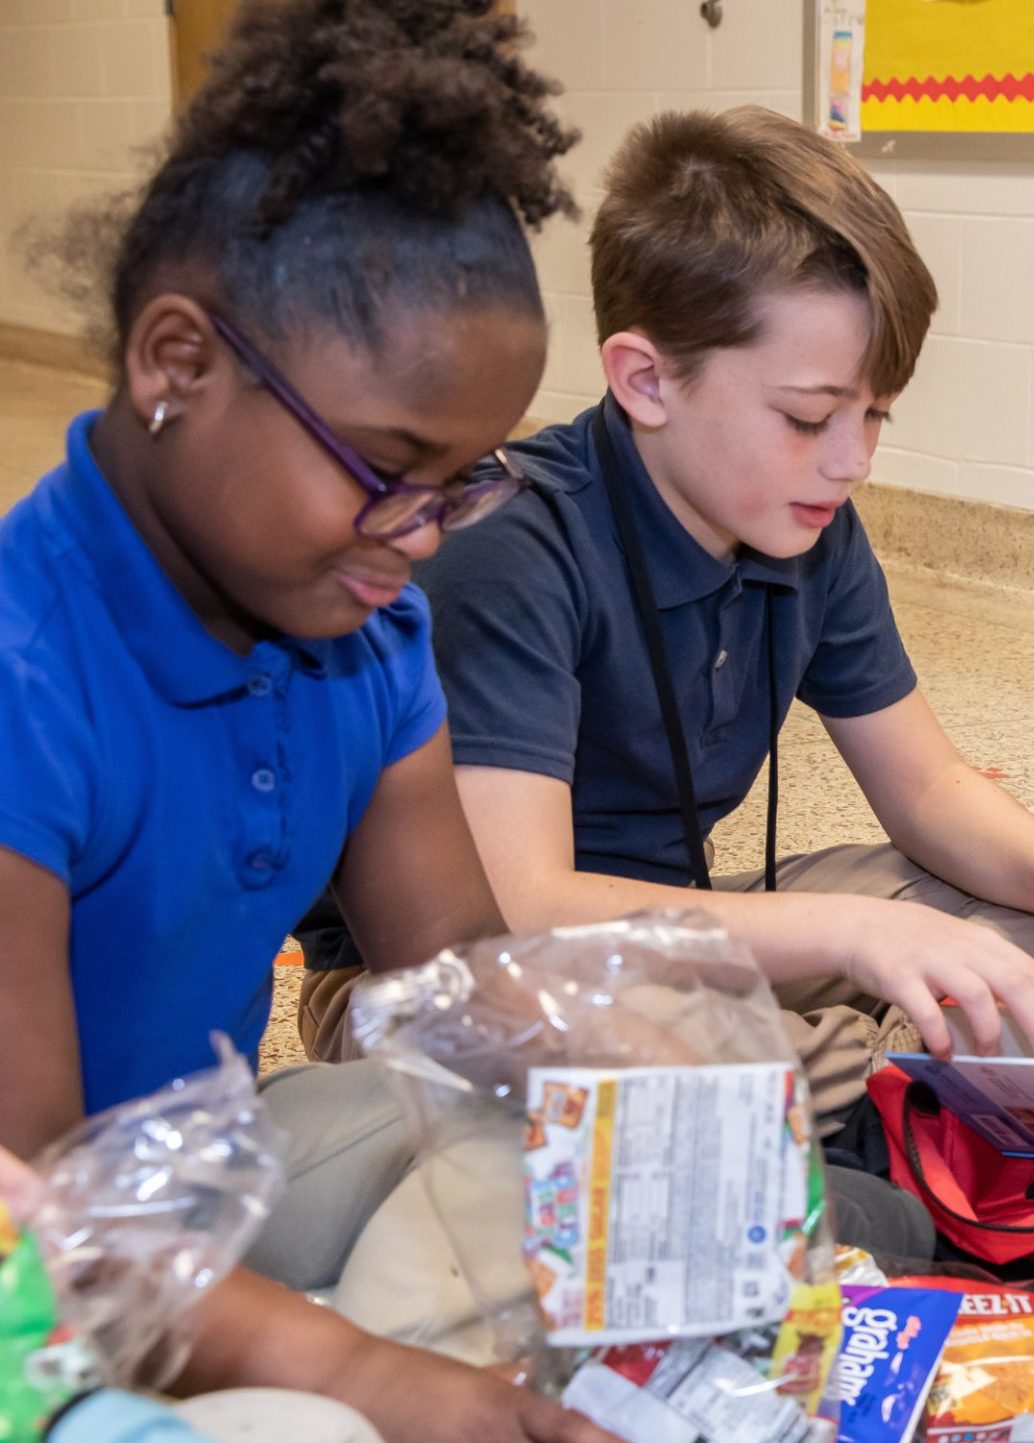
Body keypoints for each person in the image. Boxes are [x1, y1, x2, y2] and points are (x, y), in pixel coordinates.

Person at [294, 107, 1034, 1121]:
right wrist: (852, 935)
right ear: (646, 379)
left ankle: (907, 1068)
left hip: (673, 932)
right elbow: (519, 914)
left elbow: (926, 786)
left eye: (875, 413)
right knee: (718, 1056)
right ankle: (904, 1080)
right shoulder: (514, 548)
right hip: (447, 986)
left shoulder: (807, 523)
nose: (853, 460)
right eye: (808, 418)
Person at [0, 2, 611, 1438]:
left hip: (192, 1202)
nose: (419, 537)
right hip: (40, 1267)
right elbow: (37, 1220)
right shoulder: (24, 674)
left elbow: (453, 974)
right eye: (387, 466)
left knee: (497, 1155)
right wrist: (372, 1377)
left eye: (464, 482)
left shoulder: (367, 627)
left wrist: (660, 1094)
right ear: (176, 363)